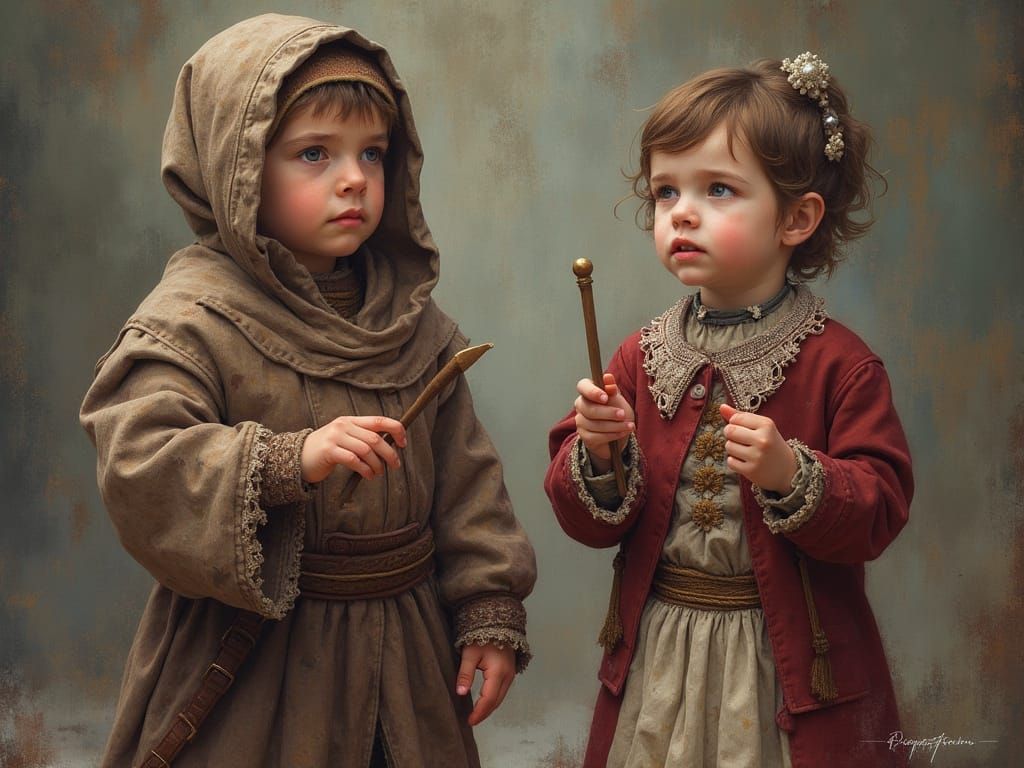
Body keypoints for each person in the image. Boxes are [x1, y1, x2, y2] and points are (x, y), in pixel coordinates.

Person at [80, 13, 535, 768]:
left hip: (408, 657)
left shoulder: (414, 326)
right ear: (239, 168)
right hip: (259, 664)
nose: (354, 178)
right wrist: (289, 461)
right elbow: (143, 463)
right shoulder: (191, 320)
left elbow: (469, 487)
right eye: (314, 154)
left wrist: (488, 615)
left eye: (372, 153)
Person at [544, 53, 913, 768]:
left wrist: (792, 474)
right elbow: (584, 521)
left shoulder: (841, 364)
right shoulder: (636, 358)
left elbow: (881, 508)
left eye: (718, 189)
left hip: (783, 663)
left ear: (797, 218)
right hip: (660, 653)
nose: (681, 211)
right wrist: (596, 455)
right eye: (665, 191)